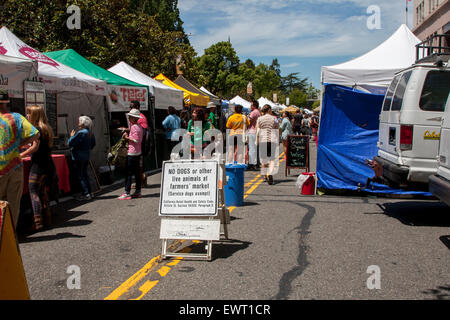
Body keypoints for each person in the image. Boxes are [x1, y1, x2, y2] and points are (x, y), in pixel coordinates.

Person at [0, 89, 39, 229]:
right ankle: (10, 235)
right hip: (15, 166)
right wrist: (19, 144)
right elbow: (35, 134)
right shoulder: (16, 117)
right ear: (7, 102)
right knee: (13, 204)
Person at [20, 105, 56, 231]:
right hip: (48, 164)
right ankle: (47, 219)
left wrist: (21, 155)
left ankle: (38, 222)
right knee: (42, 192)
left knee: (34, 193)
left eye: (29, 114)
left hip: (38, 166)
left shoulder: (36, 129)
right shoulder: (47, 128)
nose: (27, 116)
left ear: (34, 115)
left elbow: (35, 146)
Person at [68, 116, 96, 201]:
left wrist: (71, 136)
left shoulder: (81, 133)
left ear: (83, 124)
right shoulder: (90, 133)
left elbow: (70, 143)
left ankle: (86, 193)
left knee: (81, 175)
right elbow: (93, 144)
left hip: (78, 156)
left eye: (79, 122)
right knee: (85, 174)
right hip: (86, 156)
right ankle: (90, 192)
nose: (78, 124)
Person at [118, 109, 143, 200]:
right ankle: (138, 191)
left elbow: (135, 140)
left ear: (133, 118)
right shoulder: (139, 127)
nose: (128, 118)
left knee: (128, 173)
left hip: (132, 152)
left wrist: (126, 137)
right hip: (138, 152)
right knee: (137, 173)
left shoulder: (134, 127)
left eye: (129, 117)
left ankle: (127, 192)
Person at [256, 104, 279, 185]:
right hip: (272, 140)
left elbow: (258, 129)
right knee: (272, 159)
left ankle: (265, 176)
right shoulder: (274, 119)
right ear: (269, 110)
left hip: (263, 140)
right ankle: (270, 173)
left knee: (264, 159)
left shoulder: (259, 119)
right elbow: (276, 129)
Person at [248, 100, 261, 170]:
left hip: (252, 131)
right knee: (256, 148)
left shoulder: (253, 112)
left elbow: (249, 121)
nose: (250, 106)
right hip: (257, 132)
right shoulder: (258, 112)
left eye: (251, 105)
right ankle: (257, 163)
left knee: (252, 148)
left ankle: (252, 163)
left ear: (254, 106)